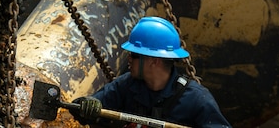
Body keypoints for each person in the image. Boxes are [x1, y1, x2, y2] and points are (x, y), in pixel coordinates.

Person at [72, 16, 231, 127]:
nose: (128, 58)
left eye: (134, 55)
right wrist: (85, 105)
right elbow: (79, 109)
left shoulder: (196, 99)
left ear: (154, 61)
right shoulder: (127, 86)